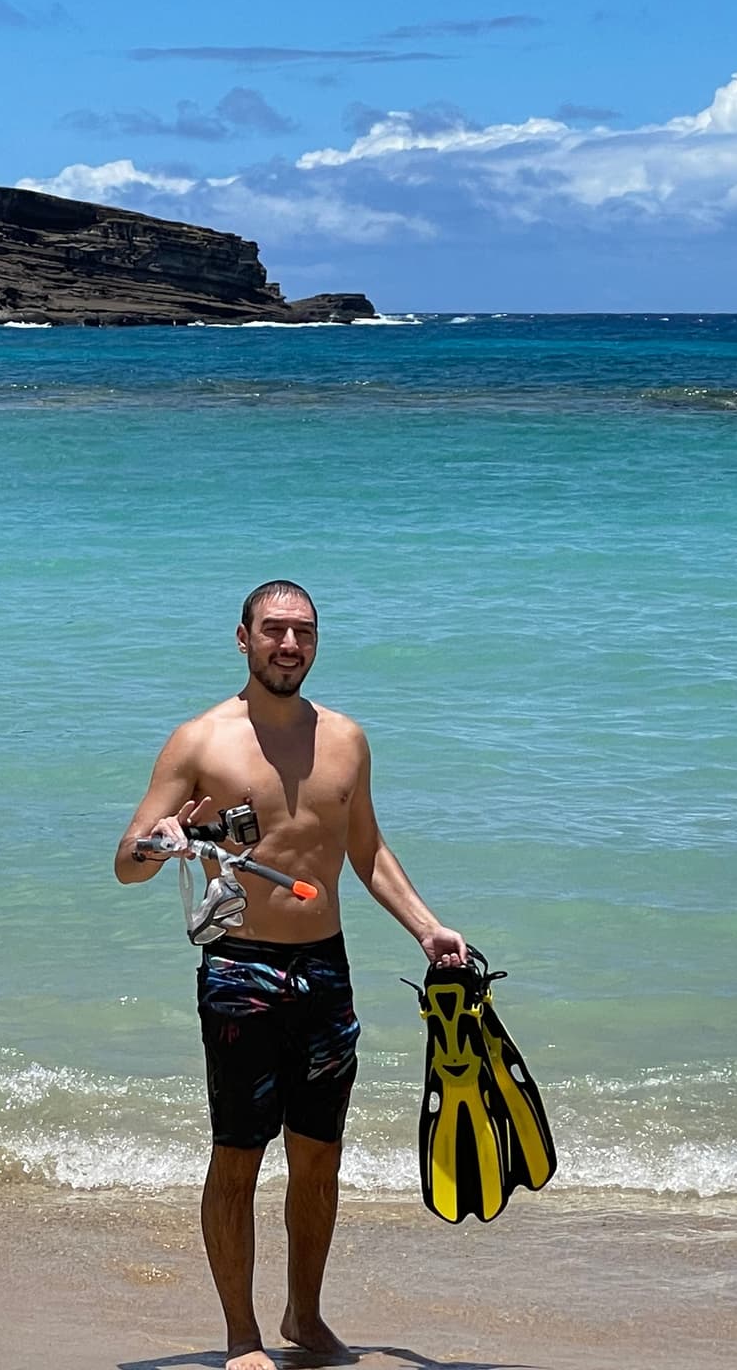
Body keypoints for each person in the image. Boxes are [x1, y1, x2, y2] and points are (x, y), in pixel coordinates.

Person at [113, 580, 469, 1370]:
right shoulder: (200, 741)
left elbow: (367, 852)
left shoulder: (346, 739)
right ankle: (243, 1338)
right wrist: (162, 841)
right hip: (240, 968)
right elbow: (125, 865)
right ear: (242, 639)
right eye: (273, 630)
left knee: (319, 1153)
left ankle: (304, 1318)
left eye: (302, 633)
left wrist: (428, 929)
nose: (288, 645)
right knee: (237, 1154)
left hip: (326, 971)